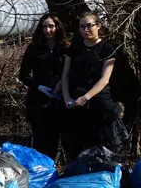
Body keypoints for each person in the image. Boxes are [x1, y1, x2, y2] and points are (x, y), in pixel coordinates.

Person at [61, 11, 128, 156]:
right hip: (75, 100)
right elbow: (65, 75)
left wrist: (86, 97)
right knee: (78, 145)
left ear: (98, 26)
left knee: (105, 144)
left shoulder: (107, 48)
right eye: (82, 26)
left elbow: (105, 79)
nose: (86, 30)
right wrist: (66, 97)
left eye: (89, 26)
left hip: (98, 100)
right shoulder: (74, 48)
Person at [19, 13, 68, 159]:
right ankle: (41, 172)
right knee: (40, 141)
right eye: (44, 27)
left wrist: (63, 83)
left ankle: (54, 169)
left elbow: (74, 72)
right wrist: (38, 86)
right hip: (38, 101)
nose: (48, 30)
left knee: (58, 140)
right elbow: (23, 75)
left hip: (61, 100)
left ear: (58, 27)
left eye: (51, 26)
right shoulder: (34, 48)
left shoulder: (66, 48)